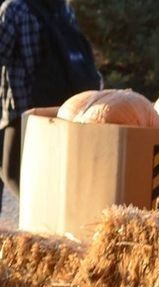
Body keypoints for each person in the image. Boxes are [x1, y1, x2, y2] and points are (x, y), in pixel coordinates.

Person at [0, 0, 99, 198]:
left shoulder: (14, 8)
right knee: (45, 172)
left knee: (10, 172)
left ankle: (41, 217)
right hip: (58, 108)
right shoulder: (62, 7)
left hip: (20, 107)